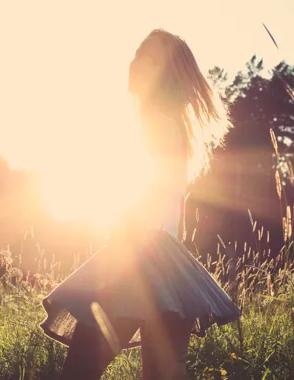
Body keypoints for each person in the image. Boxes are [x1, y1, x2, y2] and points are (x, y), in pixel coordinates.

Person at [39, 28, 241, 380]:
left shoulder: (157, 124)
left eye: (147, 58)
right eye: (136, 54)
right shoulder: (168, 124)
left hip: (139, 257)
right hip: (169, 266)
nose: (135, 63)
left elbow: (143, 191)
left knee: (80, 372)